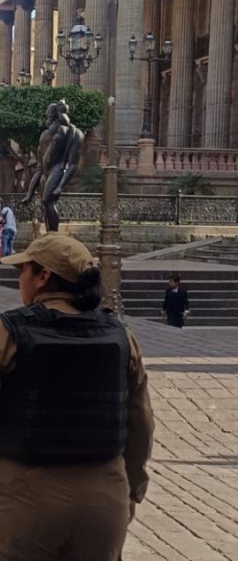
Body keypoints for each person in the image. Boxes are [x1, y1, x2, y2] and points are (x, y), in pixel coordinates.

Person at [0, 233, 154, 560]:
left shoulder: (10, 332)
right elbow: (140, 421)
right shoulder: (121, 336)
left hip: (26, 496)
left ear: (43, 276)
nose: (20, 279)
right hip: (104, 498)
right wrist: (132, 488)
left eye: (23, 270)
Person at [22, 100, 83, 233]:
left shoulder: (72, 133)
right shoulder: (44, 136)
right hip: (45, 173)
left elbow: (73, 164)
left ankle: (53, 234)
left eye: (51, 115)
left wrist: (60, 185)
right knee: (45, 203)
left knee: (48, 200)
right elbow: (39, 167)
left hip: (58, 169)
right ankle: (50, 232)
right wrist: (29, 193)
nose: (48, 118)